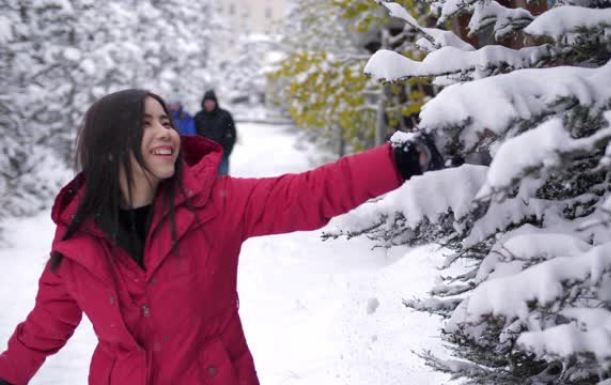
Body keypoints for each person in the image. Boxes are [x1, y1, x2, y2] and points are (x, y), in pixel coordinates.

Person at [0, 89, 442, 385]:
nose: (166, 132)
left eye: (166, 121)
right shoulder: (77, 236)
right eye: (146, 123)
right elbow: (44, 327)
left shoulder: (213, 204)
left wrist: (398, 160)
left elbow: (308, 193)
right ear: (111, 143)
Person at [194, 90, 236, 175]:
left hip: (221, 155)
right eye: (207, 102)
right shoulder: (198, 117)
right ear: (203, 103)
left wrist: (226, 151)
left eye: (211, 101)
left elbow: (231, 134)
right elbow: (194, 135)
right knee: (205, 180)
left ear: (215, 102)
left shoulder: (225, 116)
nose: (209, 104)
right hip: (204, 156)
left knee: (222, 180)